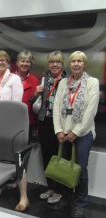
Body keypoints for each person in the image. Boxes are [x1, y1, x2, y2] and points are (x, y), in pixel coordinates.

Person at [53, 51, 99, 218]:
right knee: (65, 169)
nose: (76, 64)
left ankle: (80, 203)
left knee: (80, 170)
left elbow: (90, 111)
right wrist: (58, 130)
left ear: (84, 64)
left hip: (83, 134)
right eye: (73, 61)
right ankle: (66, 199)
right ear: (70, 64)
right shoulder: (64, 82)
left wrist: (76, 132)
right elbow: (57, 108)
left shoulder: (92, 82)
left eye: (80, 61)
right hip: (64, 134)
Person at [0, 50, 28, 212]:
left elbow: (16, 106)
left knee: (17, 163)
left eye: (3, 60)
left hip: (11, 129)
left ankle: (24, 197)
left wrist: (5, 124)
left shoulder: (14, 79)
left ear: (8, 63)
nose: (0, 62)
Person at [33, 51, 67, 205]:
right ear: (48, 64)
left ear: (62, 64)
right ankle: (50, 187)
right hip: (44, 121)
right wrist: (36, 92)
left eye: (58, 62)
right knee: (46, 155)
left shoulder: (67, 80)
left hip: (59, 124)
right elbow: (37, 100)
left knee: (58, 157)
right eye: (52, 62)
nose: (54, 64)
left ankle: (59, 190)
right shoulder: (44, 78)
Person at [13, 51, 39, 138]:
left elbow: (35, 104)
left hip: (27, 120)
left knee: (23, 147)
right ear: (17, 63)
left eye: (27, 61)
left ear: (31, 64)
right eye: (22, 61)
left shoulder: (35, 81)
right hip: (10, 118)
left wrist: (36, 95)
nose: (25, 64)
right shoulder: (9, 77)